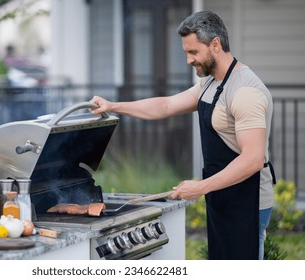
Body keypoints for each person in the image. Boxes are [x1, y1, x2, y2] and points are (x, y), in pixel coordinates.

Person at [90, 10, 276, 260]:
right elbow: (165, 106)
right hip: (223, 194)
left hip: (247, 201)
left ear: (216, 44)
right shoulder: (210, 83)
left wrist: (201, 187)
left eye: (193, 52)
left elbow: (252, 159)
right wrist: (114, 106)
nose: (189, 60)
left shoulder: (245, 91)